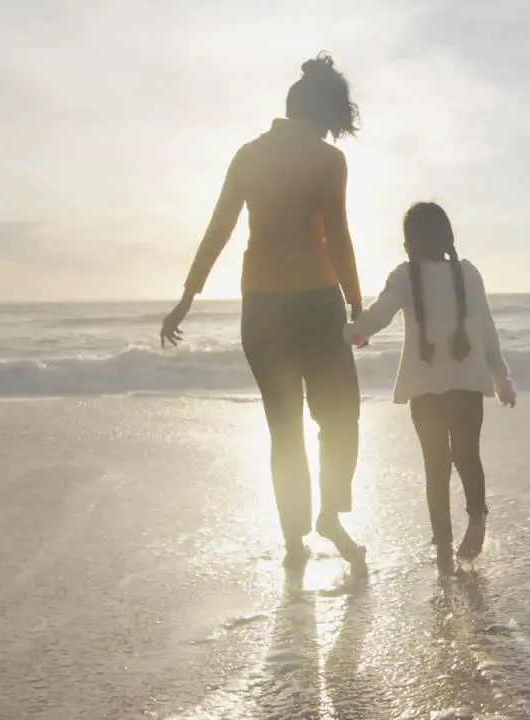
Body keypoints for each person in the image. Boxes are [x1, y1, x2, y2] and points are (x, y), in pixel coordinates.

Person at [160, 53, 366, 575]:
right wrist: (356, 299)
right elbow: (336, 232)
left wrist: (189, 294)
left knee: (284, 428)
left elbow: (220, 227)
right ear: (324, 113)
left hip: (262, 308)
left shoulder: (248, 155)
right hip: (318, 304)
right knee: (339, 416)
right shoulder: (327, 162)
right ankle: (329, 515)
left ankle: (294, 539)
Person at [342, 202, 516, 575]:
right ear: (448, 237)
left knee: (435, 467)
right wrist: (501, 378)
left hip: (425, 389)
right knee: (468, 455)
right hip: (468, 385)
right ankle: (477, 518)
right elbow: (487, 330)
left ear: (408, 243)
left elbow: (378, 315)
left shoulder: (405, 277)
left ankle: (442, 552)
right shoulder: (468, 274)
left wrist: (349, 333)